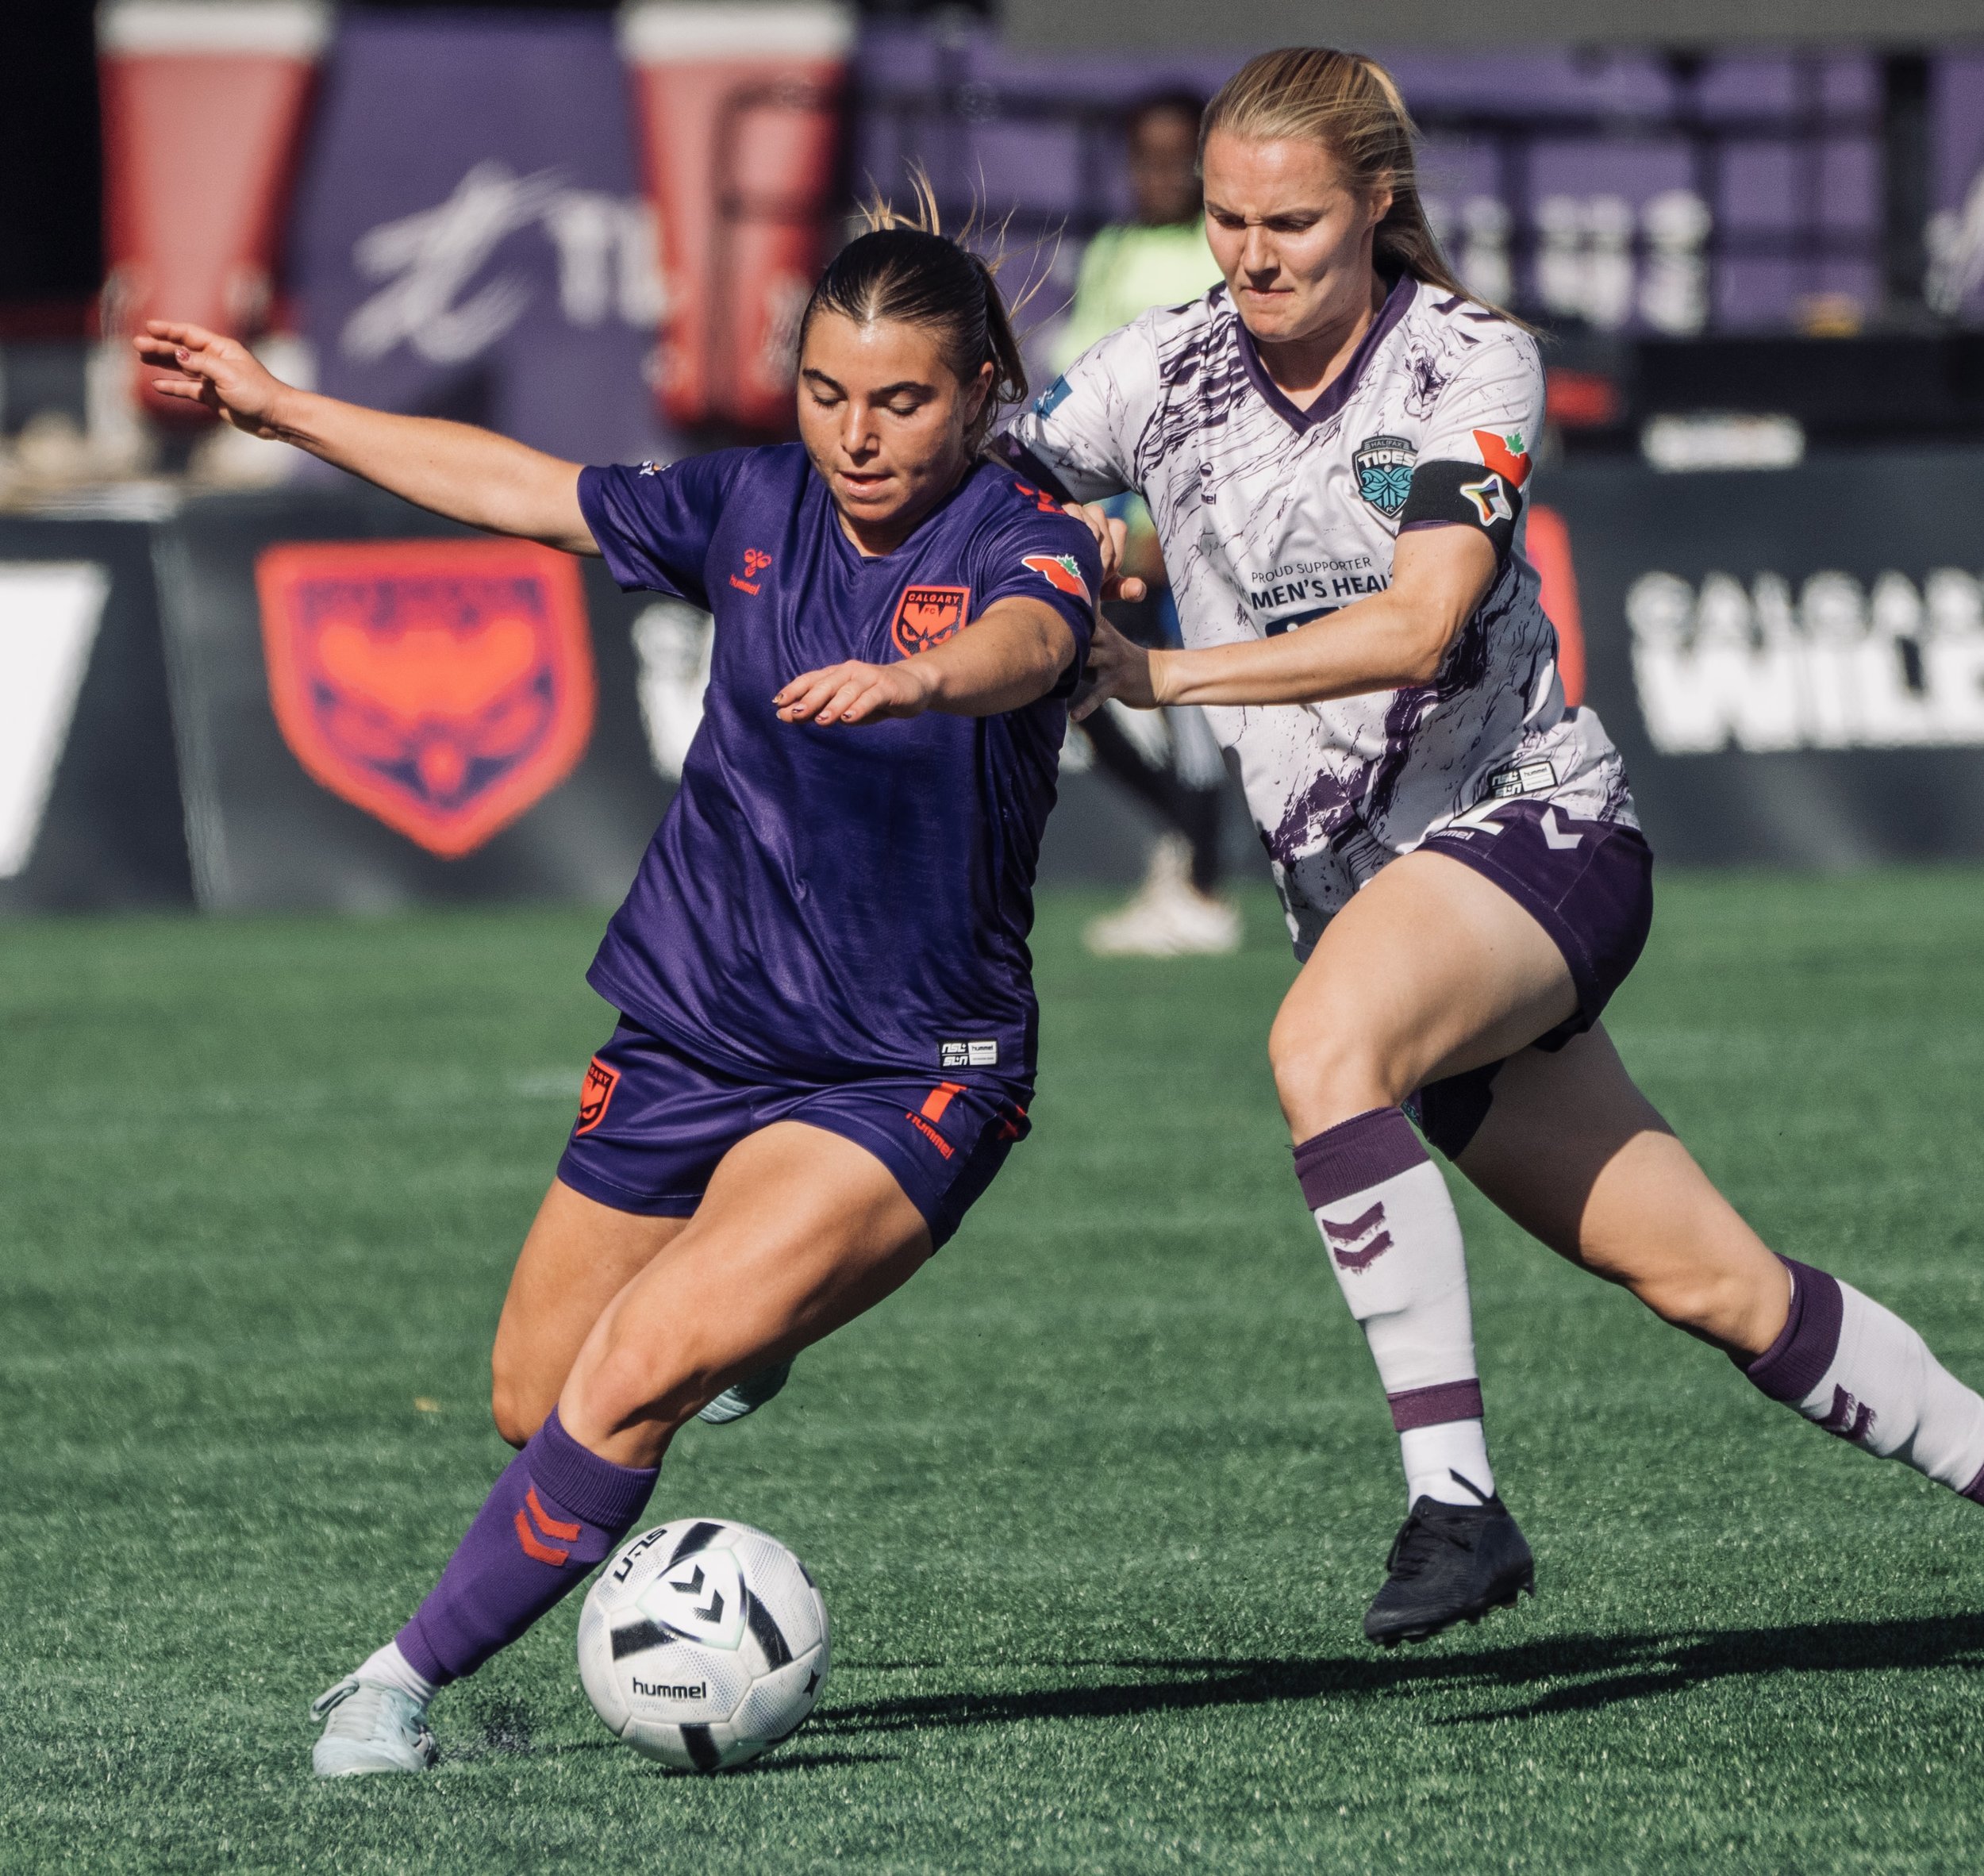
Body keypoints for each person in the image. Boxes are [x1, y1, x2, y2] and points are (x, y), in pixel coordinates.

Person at [1003, 46, 1984, 1647]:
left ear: (1374, 204)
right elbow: (979, 494)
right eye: (1227, 220)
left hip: (1533, 830)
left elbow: (1420, 623)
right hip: (1371, 910)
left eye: (1291, 223)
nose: (1251, 255)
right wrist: (1023, 543)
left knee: (1320, 1051)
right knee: (1722, 1288)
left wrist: (1158, 668)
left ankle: (1455, 1502)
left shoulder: (1472, 359)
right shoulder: (1157, 366)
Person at [137, 209, 1102, 1775]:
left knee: (640, 1365)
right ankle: (747, 1335)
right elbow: (527, 491)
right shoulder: (750, 501)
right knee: (539, 1397)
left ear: (979, 391)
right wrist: (284, 408)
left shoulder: (1023, 537)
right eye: (825, 392)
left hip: (906, 1065)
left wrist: (920, 676)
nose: (855, 435)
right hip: (693, 1028)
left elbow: (1032, 640)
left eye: (901, 401)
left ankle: (391, 1684)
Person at [1052, 90, 1239, 958]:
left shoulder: (1219, 253)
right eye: (1144, 157)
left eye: (1177, 159)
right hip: (1110, 518)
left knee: (1185, 690)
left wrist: (1175, 520)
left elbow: (1220, 404)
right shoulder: (1110, 253)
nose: (1159, 175)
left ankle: (1200, 886)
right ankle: (1186, 843)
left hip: (1188, 520)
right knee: (1074, 680)